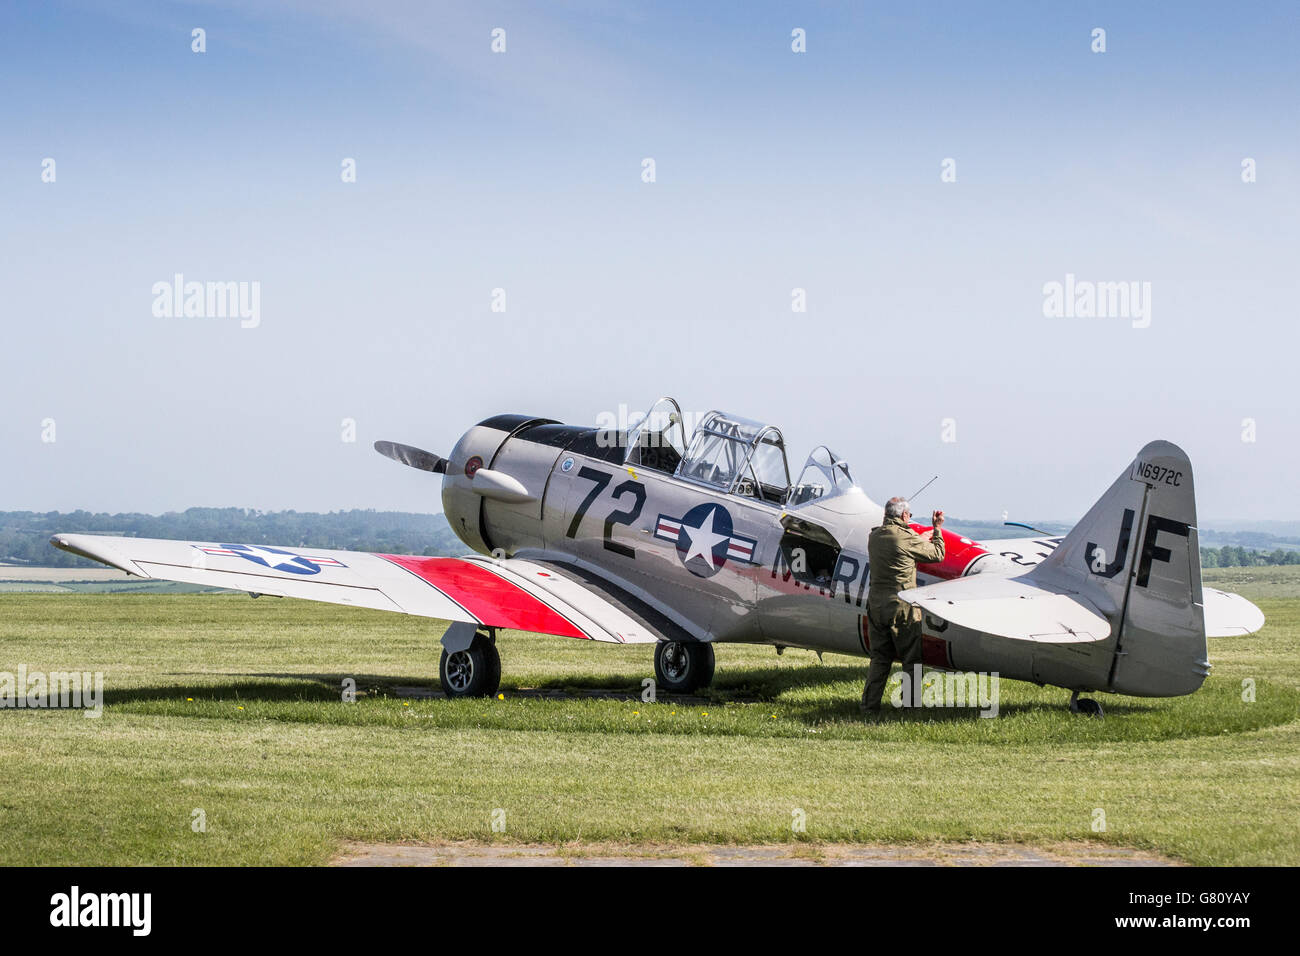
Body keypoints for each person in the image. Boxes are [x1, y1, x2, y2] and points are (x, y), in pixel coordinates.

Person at [861, 497, 946, 714]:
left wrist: (918, 538)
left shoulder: (875, 536)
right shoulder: (907, 539)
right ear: (905, 515)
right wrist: (937, 530)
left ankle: (869, 707)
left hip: (876, 606)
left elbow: (900, 544)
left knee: (879, 659)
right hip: (902, 607)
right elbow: (938, 554)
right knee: (911, 660)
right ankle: (909, 706)